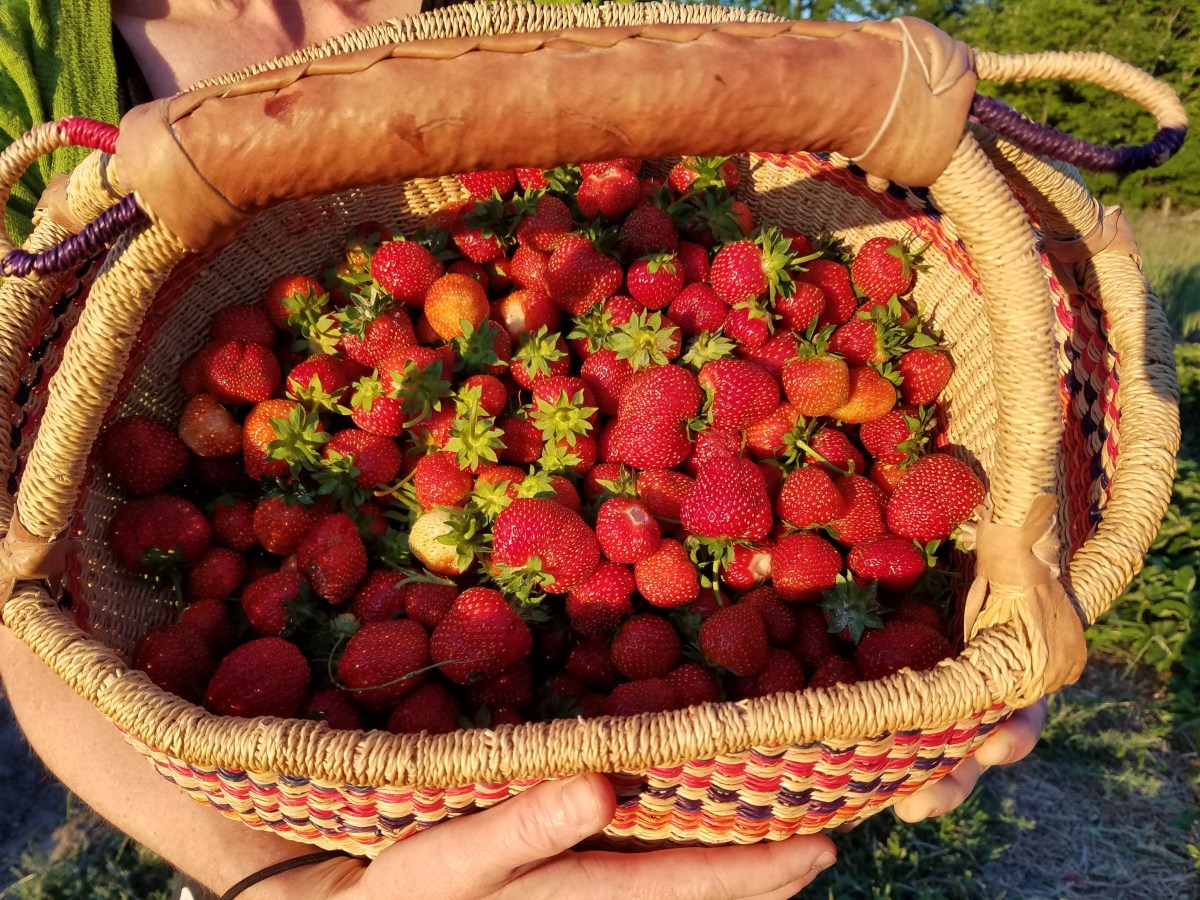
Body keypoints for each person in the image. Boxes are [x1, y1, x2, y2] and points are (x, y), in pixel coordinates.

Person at [0, 2, 1048, 897]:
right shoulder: (24, 61)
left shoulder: (565, 25)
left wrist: (983, 651)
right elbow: (19, 583)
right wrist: (277, 879)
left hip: (692, 780)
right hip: (318, 840)